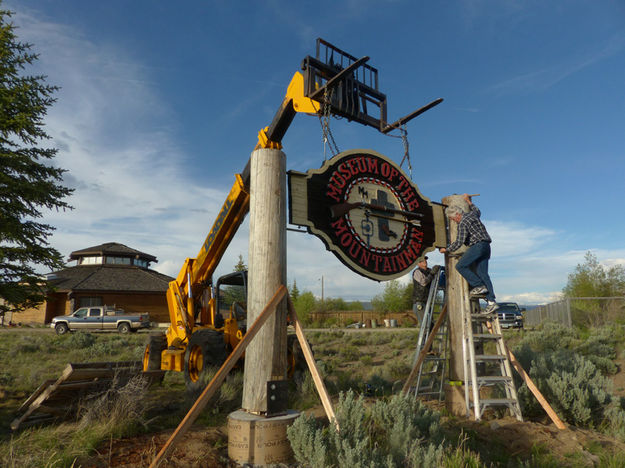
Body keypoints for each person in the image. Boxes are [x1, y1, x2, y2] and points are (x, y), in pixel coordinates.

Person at [438, 193, 499, 315]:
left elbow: (459, 242)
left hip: (478, 246)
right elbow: (478, 211)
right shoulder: (472, 214)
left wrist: (446, 249)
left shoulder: (463, 223)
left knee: (460, 266)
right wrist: (469, 202)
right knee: (483, 273)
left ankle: (478, 285)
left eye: (452, 219)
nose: (453, 221)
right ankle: (491, 302)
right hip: (487, 246)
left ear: (457, 214)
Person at [412, 256, 440, 324]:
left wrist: (438, 272)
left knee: (431, 324)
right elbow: (423, 282)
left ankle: (429, 334)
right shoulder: (417, 272)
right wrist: (432, 274)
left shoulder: (429, 271)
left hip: (427, 301)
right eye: (422, 261)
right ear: (418, 264)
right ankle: (425, 334)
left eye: (425, 260)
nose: (424, 261)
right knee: (425, 325)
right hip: (420, 302)